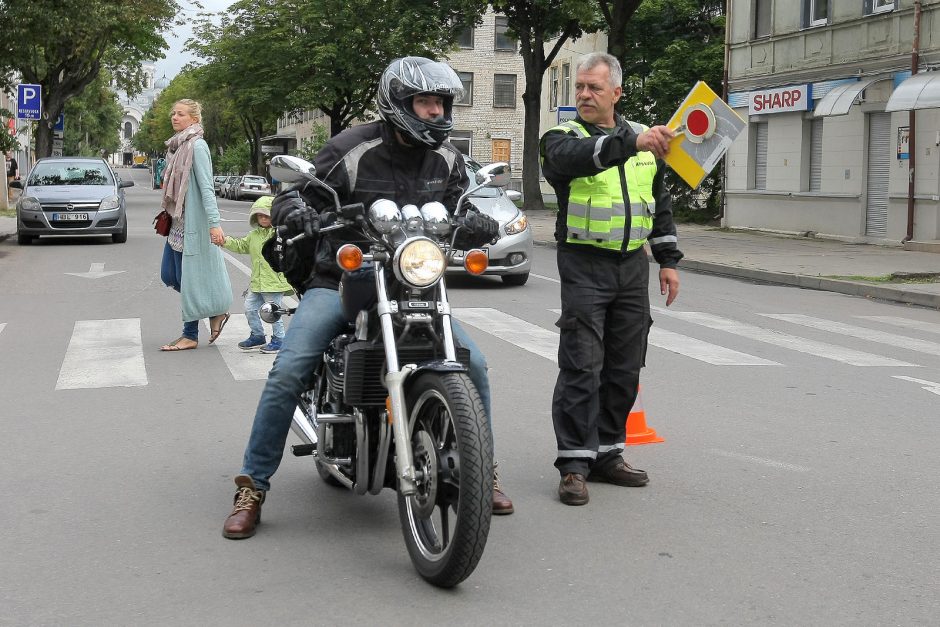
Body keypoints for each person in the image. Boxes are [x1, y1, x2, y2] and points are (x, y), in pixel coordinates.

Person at [223, 56, 514, 540]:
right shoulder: (351, 148)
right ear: (398, 103)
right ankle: (253, 485)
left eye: (442, 104)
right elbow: (295, 194)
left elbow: (467, 201)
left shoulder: (447, 159)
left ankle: (481, 469)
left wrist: (478, 221)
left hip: (414, 279)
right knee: (289, 369)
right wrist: (296, 212)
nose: (436, 114)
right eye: (425, 103)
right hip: (342, 278)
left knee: (475, 365)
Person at [539, 52, 683, 506]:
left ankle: (607, 453)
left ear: (616, 93)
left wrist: (668, 259)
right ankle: (574, 465)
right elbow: (582, 158)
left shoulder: (645, 142)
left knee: (625, 366)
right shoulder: (561, 138)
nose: (583, 94)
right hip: (583, 264)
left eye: (593, 88)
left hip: (630, 267)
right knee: (582, 364)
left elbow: (658, 204)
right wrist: (633, 142)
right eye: (579, 87)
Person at [158, 99, 232, 351]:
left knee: (186, 280)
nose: (175, 117)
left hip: (193, 223)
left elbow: (207, 187)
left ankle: (189, 334)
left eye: (180, 114)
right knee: (168, 275)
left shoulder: (197, 147)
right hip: (177, 222)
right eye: (173, 113)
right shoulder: (178, 146)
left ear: (194, 119)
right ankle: (213, 310)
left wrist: (214, 223)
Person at [222, 195, 293, 354]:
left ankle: (279, 339)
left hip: (274, 283)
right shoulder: (253, 235)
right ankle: (258, 335)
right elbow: (241, 246)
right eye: (260, 215)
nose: (263, 218)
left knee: (273, 312)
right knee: (250, 308)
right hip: (257, 282)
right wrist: (224, 241)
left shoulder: (279, 235)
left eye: (267, 215)